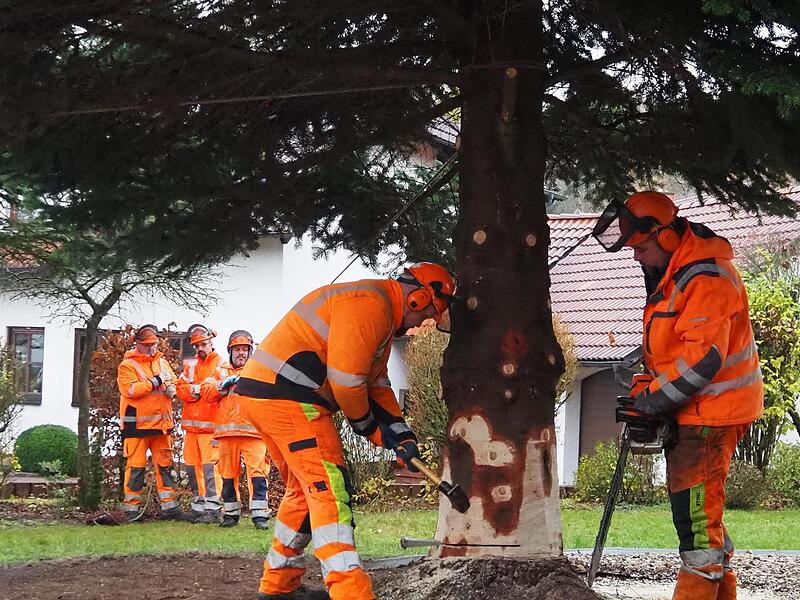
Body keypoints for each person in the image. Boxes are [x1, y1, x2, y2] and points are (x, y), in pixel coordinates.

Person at [236, 262, 457, 600]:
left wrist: (401, 436)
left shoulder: (380, 313)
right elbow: (347, 382)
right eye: (427, 315)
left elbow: (375, 383)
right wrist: (368, 427)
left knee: (304, 490)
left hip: (268, 394)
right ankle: (350, 592)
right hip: (288, 397)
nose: (420, 325)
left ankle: (279, 585)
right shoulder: (370, 305)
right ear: (417, 299)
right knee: (329, 490)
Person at [593, 191, 764, 600]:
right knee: (701, 519)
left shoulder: (705, 278)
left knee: (698, 530)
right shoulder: (675, 275)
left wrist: (651, 401)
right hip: (695, 412)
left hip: (711, 415)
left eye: (641, 247)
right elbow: (677, 350)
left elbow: (702, 360)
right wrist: (648, 386)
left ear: (666, 237)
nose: (637, 258)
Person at [205, 329, 272, 530]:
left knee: (258, 474)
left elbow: (269, 395)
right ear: (230, 351)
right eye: (237, 349)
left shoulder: (259, 370)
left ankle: (260, 516)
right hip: (226, 434)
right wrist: (222, 386)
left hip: (253, 433)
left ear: (250, 351)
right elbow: (206, 393)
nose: (241, 353)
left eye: (245, 349)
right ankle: (230, 514)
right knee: (227, 475)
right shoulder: (220, 370)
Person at [116, 324, 183, 521]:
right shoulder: (127, 366)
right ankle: (131, 509)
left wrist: (172, 387)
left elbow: (173, 380)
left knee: (165, 465)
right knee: (136, 467)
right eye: (147, 345)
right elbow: (131, 390)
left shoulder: (162, 362)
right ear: (138, 344)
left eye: (153, 344)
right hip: (136, 426)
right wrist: (155, 381)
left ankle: (170, 507)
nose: (151, 348)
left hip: (162, 425)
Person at [176, 323, 224, 524]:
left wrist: (198, 390)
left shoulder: (221, 364)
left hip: (210, 428)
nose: (199, 349)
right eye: (196, 346)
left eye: (203, 344)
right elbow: (180, 389)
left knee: (210, 469)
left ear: (210, 342)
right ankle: (198, 507)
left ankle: (213, 509)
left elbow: (218, 390)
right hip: (191, 429)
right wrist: (194, 391)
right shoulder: (191, 366)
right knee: (192, 468)